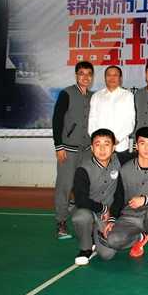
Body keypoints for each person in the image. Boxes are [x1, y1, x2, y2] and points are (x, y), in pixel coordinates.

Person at [103, 127, 148, 265]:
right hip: (130, 217)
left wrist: (146, 200)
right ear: (136, 146)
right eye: (142, 143)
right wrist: (112, 219)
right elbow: (118, 197)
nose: (147, 148)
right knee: (113, 240)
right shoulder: (125, 169)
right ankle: (140, 237)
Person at [52, 61, 94, 239]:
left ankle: (83, 220)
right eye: (82, 73)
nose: (85, 77)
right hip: (68, 150)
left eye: (89, 74)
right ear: (76, 75)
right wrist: (59, 146)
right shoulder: (67, 93)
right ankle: (61, 222)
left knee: (84, 186)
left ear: (92, 77)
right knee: (65, 185)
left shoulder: (94, 97)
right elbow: (57, 119)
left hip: (87, 151)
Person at [71, 129, 124, 266]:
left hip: (108, 216)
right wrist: (103, 208)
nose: (102, 149)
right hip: (89, 210)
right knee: (81, 217)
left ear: (113, 147)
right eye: (97, 144)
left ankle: (96, 235)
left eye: (106, 144)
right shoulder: (83, 169)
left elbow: (144, 154)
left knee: (107, 254)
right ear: (92, 148)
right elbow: (80, 200)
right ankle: (85, 248)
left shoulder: (119, 161)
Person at [88, 66, 135, 165]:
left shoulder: (128, 95)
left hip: (121, 146)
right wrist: (97, 141)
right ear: (105, 77)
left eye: (115, 75)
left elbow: (130, 121)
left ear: (120, 78)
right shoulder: (96, 96)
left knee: (122, 174)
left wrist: (114, 140)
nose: (112, 78)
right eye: (109, 75)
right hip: (100, 148)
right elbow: (92, 121)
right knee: (100, 174)